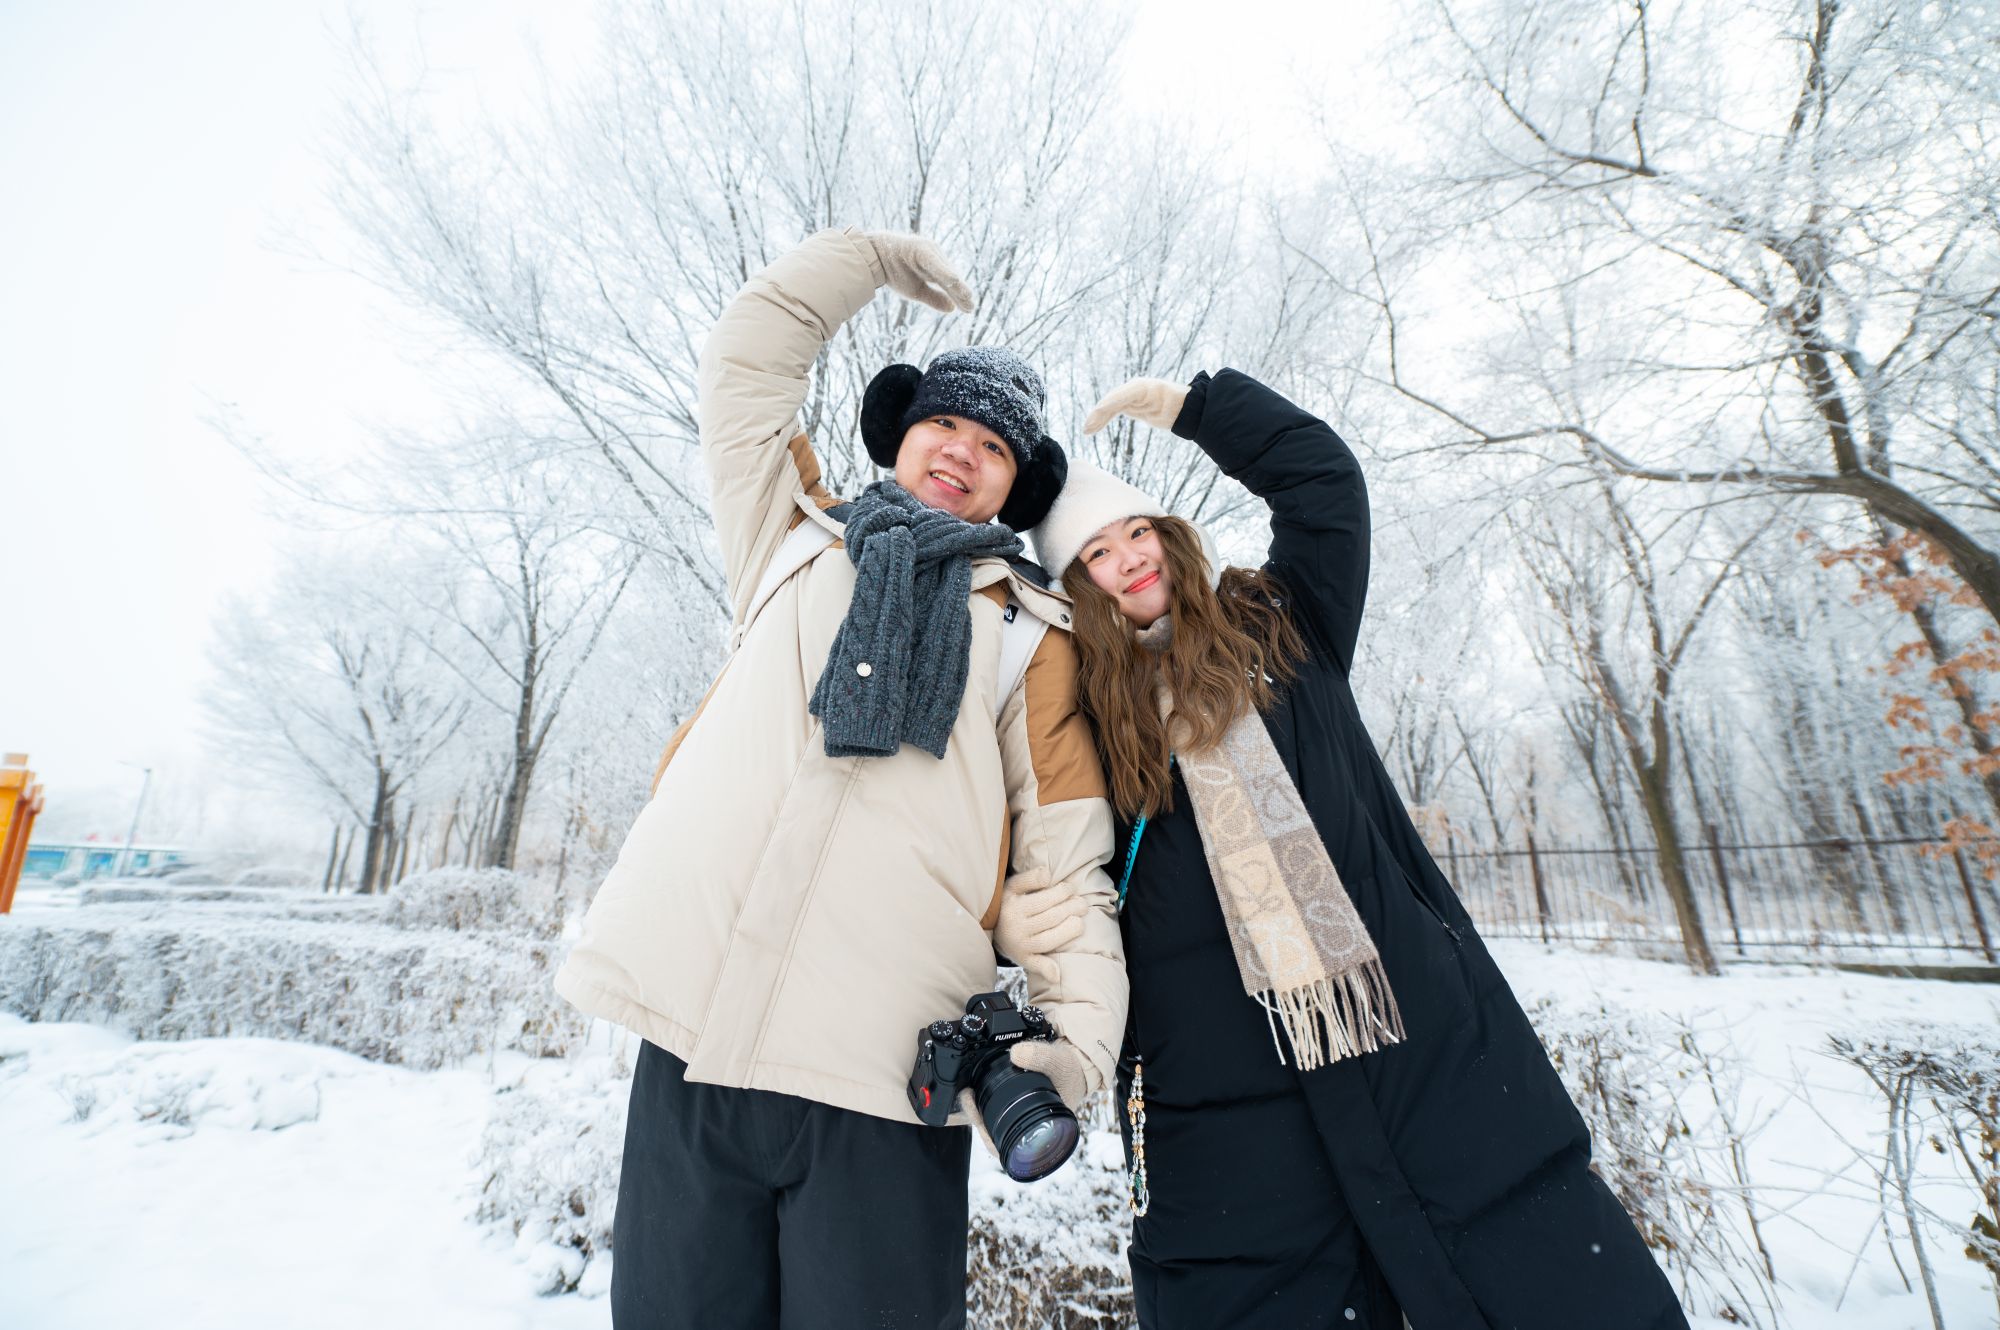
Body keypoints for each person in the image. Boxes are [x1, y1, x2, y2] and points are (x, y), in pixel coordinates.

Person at [1004, 369, 1689, 1328]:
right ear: (1078, 586)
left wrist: (1202, 410)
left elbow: (1323, 484)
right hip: (1217, 1090)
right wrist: (1023, 932)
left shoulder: (1283, 633)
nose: (1129, 559)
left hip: (1411, 1035)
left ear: (1170, 536)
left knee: (1529, 1271)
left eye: (1138, 532)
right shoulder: (1083, 721)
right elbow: (1049, 856)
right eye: (1097, 553)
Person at [555, 227, 1127, 1329]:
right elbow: (746, 369)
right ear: (901, 433)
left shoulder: (1030, 633)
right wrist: (858, 261)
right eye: (944, 424)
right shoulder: (791, 534)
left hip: (886, 1077)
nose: (961, 450)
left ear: (1015, 485)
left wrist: (1068, 1049)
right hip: (699, 1044)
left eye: (993, 446)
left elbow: (1063, 865)